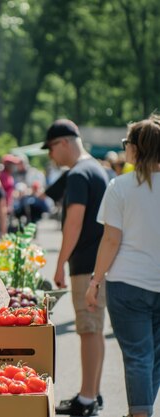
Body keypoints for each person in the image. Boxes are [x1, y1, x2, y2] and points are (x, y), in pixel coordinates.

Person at [86, 116, 160, 417]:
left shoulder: (120, 186)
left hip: (127, 284)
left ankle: (140, 413)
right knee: (152, 356)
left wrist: (95, 282)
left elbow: (111, 240)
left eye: (126, 143)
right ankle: (140, 410)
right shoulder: (121, 184)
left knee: (138, 355)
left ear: (136, 148)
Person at [45, 119, 109, 416]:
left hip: (86, 264)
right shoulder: (96, 168)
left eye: (52, 148)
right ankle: (91, 393)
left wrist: (59, 265)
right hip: (97, 262)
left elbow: (74, 222)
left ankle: (86, 399)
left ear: (65, 143)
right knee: (93, 329)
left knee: (88, 329)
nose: (51, 157)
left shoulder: (78, 174)